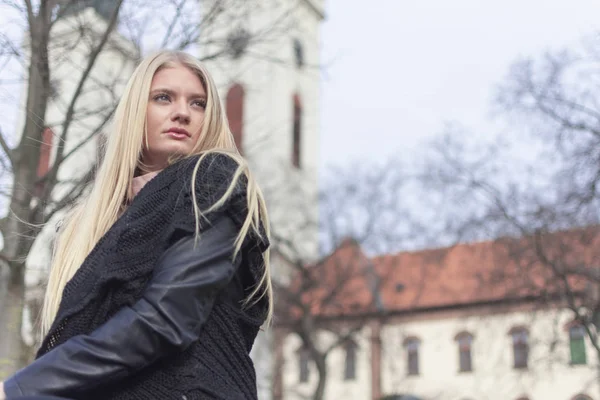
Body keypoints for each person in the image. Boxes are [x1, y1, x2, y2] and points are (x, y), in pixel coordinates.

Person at [0, 50, 272, 400]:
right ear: (135, 111)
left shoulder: (213, 179)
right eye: (163, 98)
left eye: (198, 103)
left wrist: (19, 390)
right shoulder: (88, 227)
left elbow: (167, 319)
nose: (182, 113)